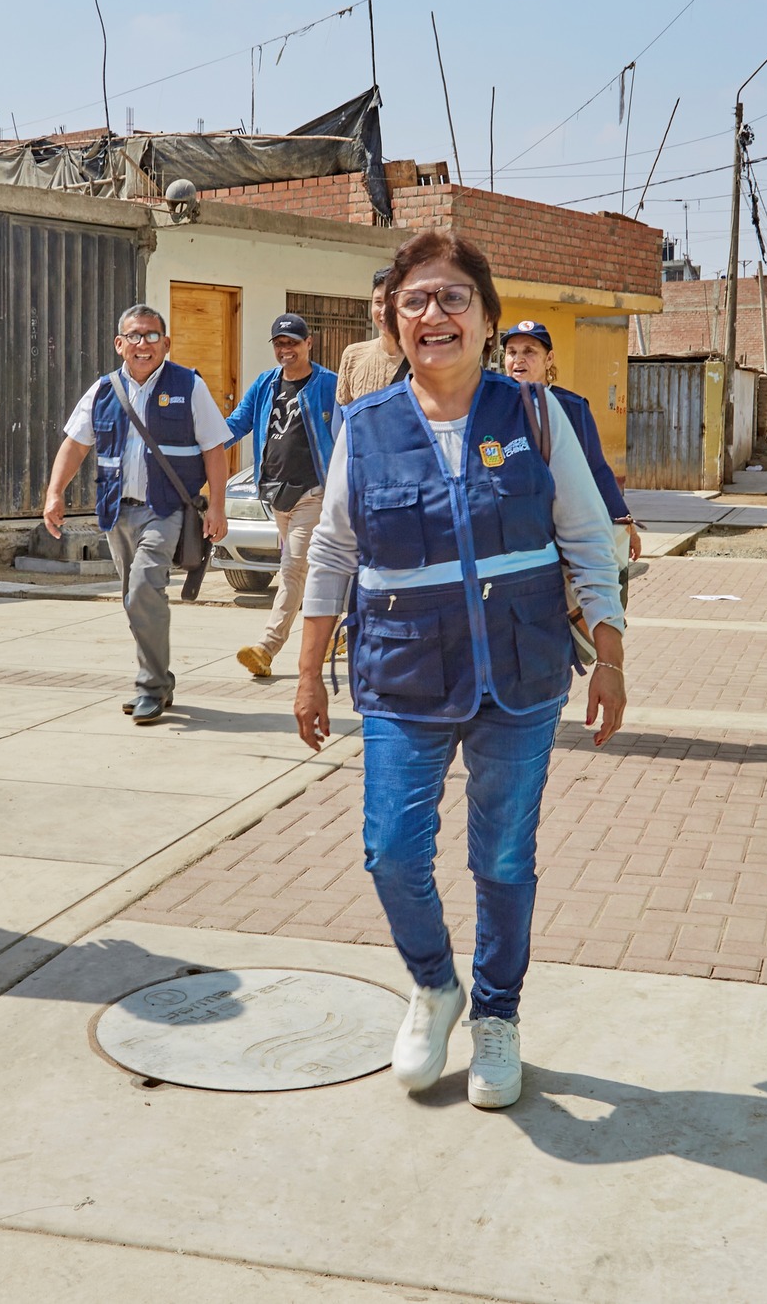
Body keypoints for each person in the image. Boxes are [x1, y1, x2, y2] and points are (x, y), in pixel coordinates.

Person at [295, 230, 626, 1110]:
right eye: (415, 302)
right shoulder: (363, 427)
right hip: (403, 675)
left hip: (520, 674)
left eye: (452, 300)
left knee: (504, 859)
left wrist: (612, 655)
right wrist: (305, 668)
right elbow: (333, 548)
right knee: (392, 851)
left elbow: (588, 538)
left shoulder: (531, 416)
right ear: (392, 321)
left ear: (483, 319)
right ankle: (436, 984)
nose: (433, 315)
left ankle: (499, 1015)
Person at [41, 304, 230, 725]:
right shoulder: (103, 391)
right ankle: (160, 679)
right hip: (116, 511)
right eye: (135, 336)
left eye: (151, 336)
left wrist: (216, 504)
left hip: (166, 510)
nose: (143, 344)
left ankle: (149, 687)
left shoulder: (189, 385)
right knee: (134, 600)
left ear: (166, 343)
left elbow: (214, 448)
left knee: (144, 588)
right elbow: (75, 444)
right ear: (119, 344)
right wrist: (55, 493)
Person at [224, 313, 339, 678]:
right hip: (276, 496)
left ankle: (267, 647)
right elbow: (236, 424)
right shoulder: (265, 384)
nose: (285, 349)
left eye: (292, 342)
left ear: (309, 343)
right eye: (279, 343)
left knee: (292, 568)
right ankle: (336, 634)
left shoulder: (329, 385)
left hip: (313, 493)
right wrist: (200, 449)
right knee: (314, 570)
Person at [498, 319, 642, 566]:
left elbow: (596, 468)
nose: (518, 359)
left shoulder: (572, 408)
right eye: (512, 352)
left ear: (549, 359)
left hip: (559, 533)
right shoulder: (493, 408)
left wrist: (622, 520)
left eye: (529, 352)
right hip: (507, 535)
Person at [334, 266, 406, 406]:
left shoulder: (423, 360)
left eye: (393, 303)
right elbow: (341, 420)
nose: (384, 311)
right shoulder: (353, 356)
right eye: (378, 302)